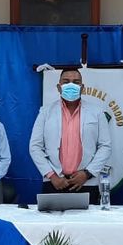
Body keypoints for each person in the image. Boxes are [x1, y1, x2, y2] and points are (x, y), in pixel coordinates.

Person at [29, 68, 112, 204]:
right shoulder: (45, 112)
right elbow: (35, 146)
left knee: (87, 218)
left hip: (85, 182)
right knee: (51, 219)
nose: (71, 85)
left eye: (76, 82)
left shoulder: (97, 112)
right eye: (66, 82)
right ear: (59, 87)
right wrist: (52, 176)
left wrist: (87, 173)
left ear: (82, 87)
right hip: (54, 182)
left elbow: (105, 146)